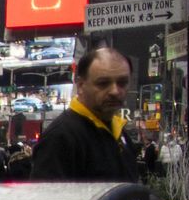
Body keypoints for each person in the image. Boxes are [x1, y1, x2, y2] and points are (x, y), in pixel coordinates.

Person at [32, 48, 139, 182]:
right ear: (81, 85)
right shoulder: (61, 137)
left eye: (122, 83)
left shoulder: (119, 132)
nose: (115, 91)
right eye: (103, 83)